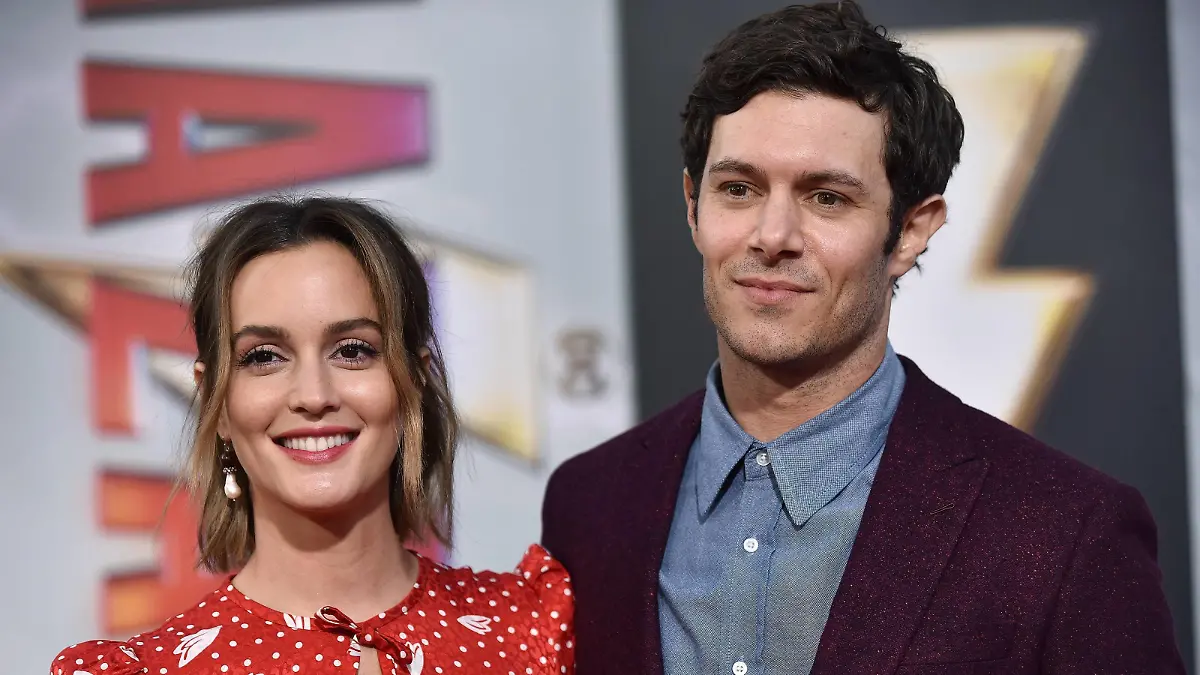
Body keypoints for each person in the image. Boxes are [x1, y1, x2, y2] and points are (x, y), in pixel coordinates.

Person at [540, 2, 1185, 674]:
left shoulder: (1064, 531)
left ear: (910, 231)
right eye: (738, 188)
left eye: (827, 197)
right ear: (692, 205)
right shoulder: (591, 504)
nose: (773, 235)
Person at [52, 197, 573, 675]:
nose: (314, 394)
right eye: (263, 357)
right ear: (217, 401)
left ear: (412, 382)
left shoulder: (529, 631)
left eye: (352, 350)